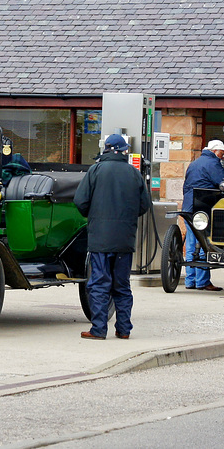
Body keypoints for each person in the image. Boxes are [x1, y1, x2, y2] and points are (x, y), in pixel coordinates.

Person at [73, 133, 152, 340]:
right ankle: (124, 330)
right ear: (123, 151)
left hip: (100, 239)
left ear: (106, 150)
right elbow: (144, 205)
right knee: (122, 285)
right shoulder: (133, 173)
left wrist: (94, 216)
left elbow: (80, 201)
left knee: (99, 284)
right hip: (125, 240)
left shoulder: (95, 170)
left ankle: (98, 329)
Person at [182, 139, 224, 292]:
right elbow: (223, 181)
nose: (222, 157)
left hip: (189, 207)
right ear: (215, 151)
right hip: (203, 208)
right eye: (221, 153)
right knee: (203, 243)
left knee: (190, 245)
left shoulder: (194, 163)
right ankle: (202, 281)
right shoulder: (213, 163)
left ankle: (190, 281)